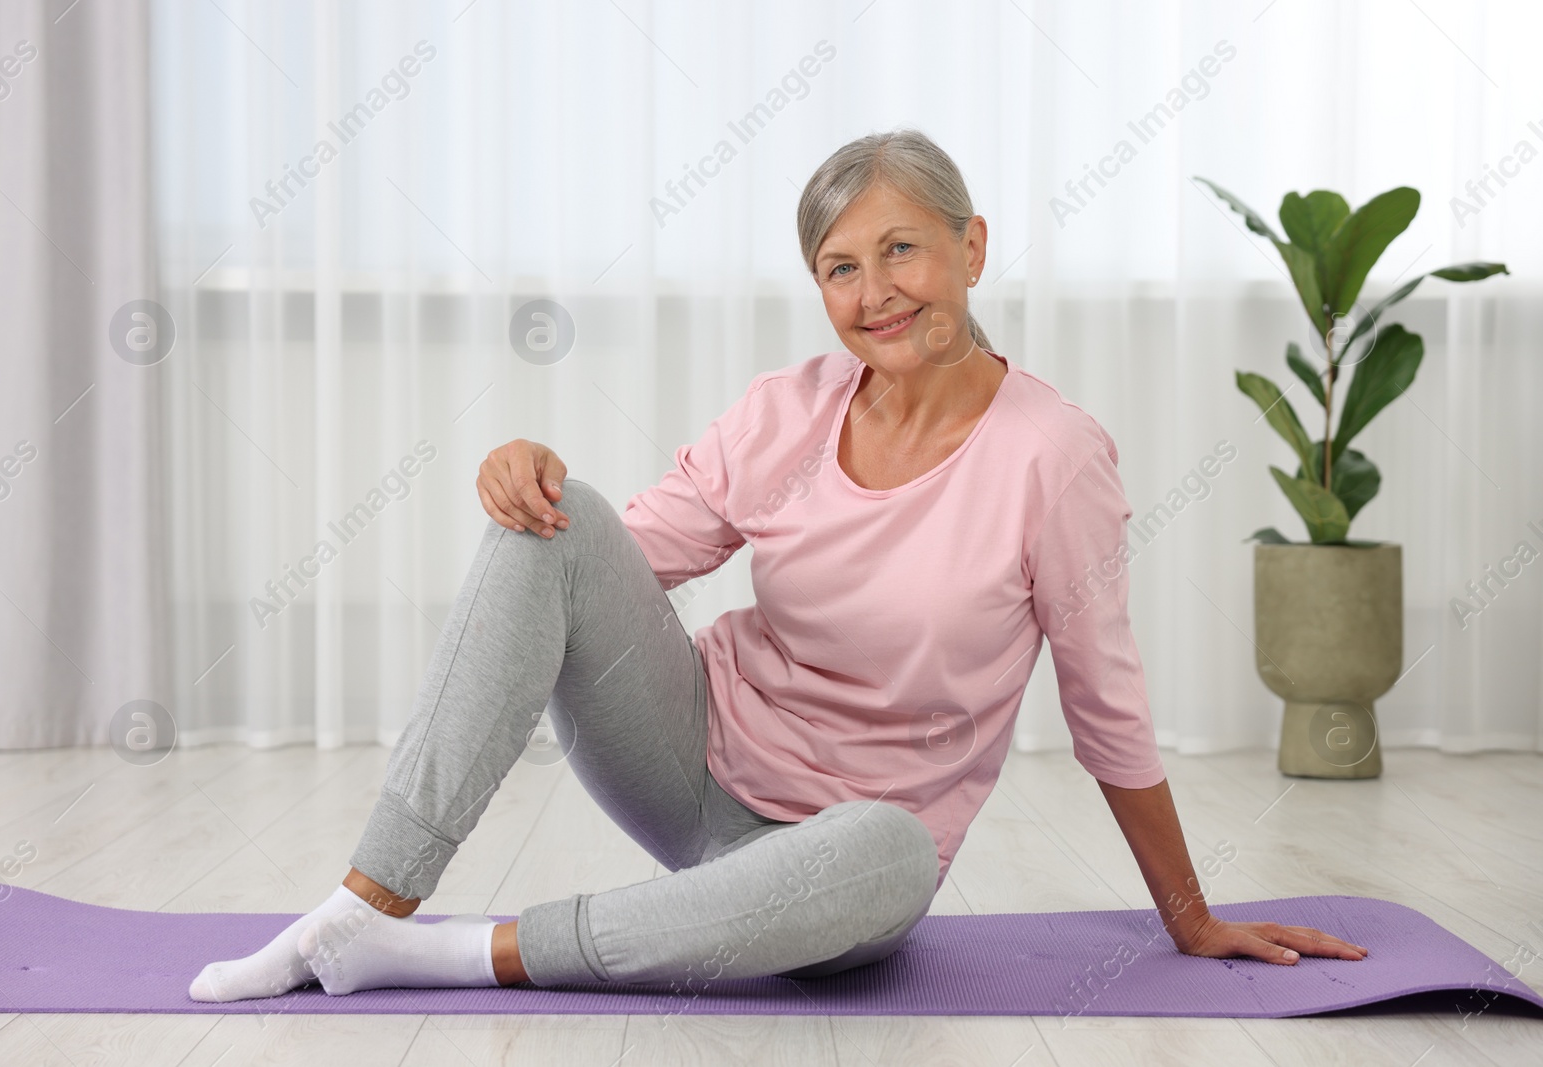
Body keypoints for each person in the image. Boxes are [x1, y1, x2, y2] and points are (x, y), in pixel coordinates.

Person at [189, 128, 1366, 1003]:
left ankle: (440, 953)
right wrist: (528, 483)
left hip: (841, 863)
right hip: (687, 759)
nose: (874, 293)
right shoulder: (789, 409)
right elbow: (615, 558)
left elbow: (1106, 699)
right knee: (548, 521)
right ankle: (361, 906)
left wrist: (1188, 914)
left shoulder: (1052, 457)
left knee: (893, 848)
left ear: (971, 247)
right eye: (840, 268)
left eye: (901, 248)